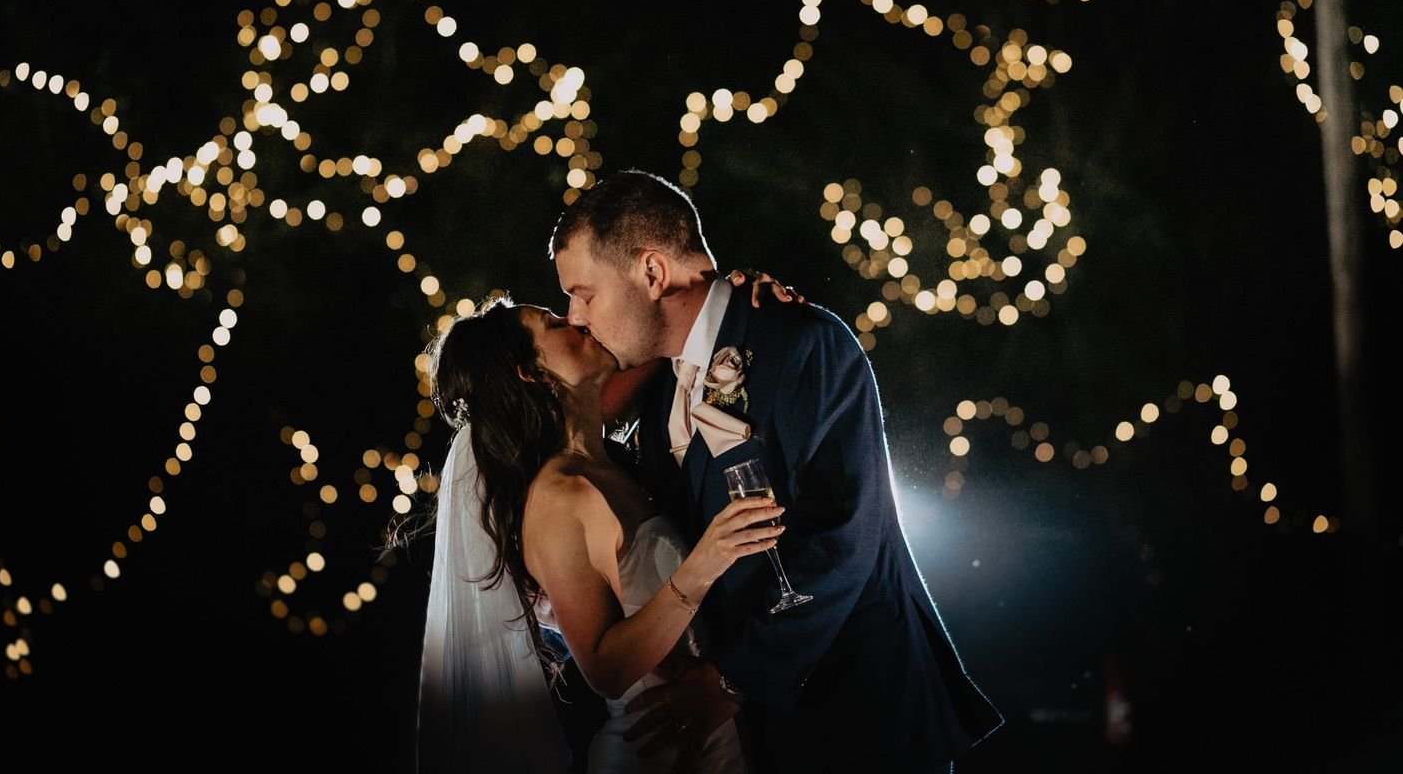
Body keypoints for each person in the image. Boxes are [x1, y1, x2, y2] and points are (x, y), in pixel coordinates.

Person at [549, 169, 1004, 773]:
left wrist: (731, 680)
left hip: (860, 716)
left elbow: (842, 536)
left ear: (653, 273)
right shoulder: (657, 386)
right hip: (759, 737)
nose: (575, 316)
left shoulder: (803, 342)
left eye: (584, 293)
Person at [417, 294, 787, 774]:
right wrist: (706, 562)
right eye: (554, 324)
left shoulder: (614, 463)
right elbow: (605, 669)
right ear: (534, 374)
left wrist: (741, 291)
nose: (574, 318)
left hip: (710, 727)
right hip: (654, 750)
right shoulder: (561, 497)